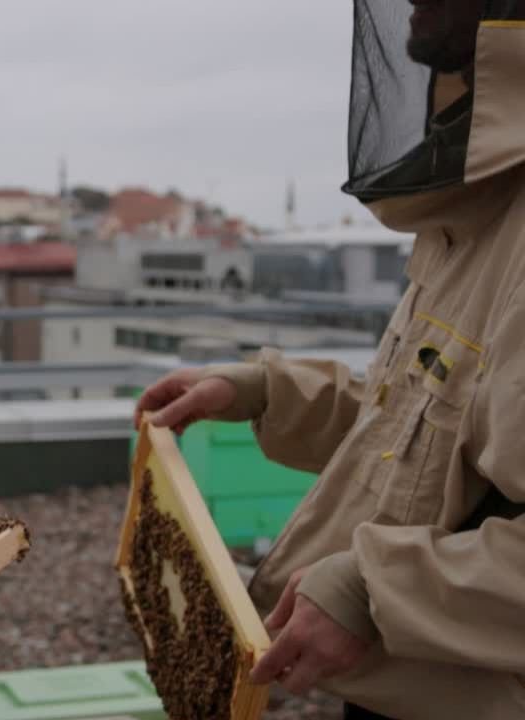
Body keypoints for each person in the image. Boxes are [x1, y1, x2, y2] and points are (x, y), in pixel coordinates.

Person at [136, 1, 525, 718]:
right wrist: (262, 391)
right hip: (414, 684)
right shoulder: (480, 205)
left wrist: (375, 593)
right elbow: (427, 427)